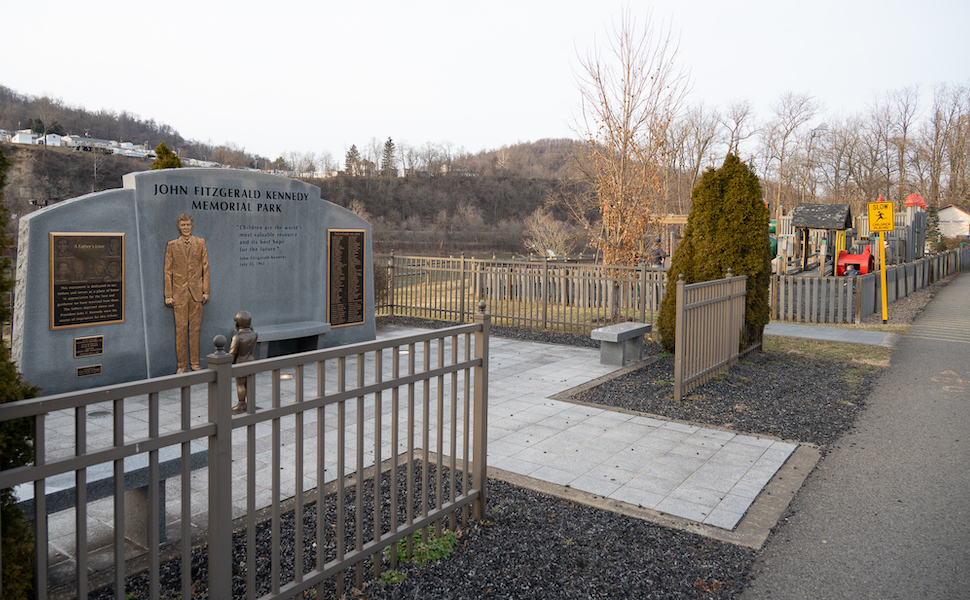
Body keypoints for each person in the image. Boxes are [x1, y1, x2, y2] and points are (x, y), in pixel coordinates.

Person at [164, 213, 210, 373]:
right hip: (179, 294)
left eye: (188, 225)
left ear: (192, 225)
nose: (186, 228)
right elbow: (167, 271)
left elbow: (205, 268)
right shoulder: (171, 245)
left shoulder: (200, 243)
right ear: (178, 226)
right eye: (183, 225)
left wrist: (206, 290)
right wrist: (168, 295)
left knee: (195, 330)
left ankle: (195, 363)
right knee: (181, 330)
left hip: (197, 294)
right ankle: (181, 366)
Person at [228, 311, 258, 414]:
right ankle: (251, 403)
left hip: (241, 362)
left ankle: (241, 404)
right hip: (251, 361)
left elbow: (232, 352)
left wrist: (228, 362)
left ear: (236, 323)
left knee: (240, 384)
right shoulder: (254, 334)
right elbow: (252, 328)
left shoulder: (237, 337)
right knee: (250, 383)